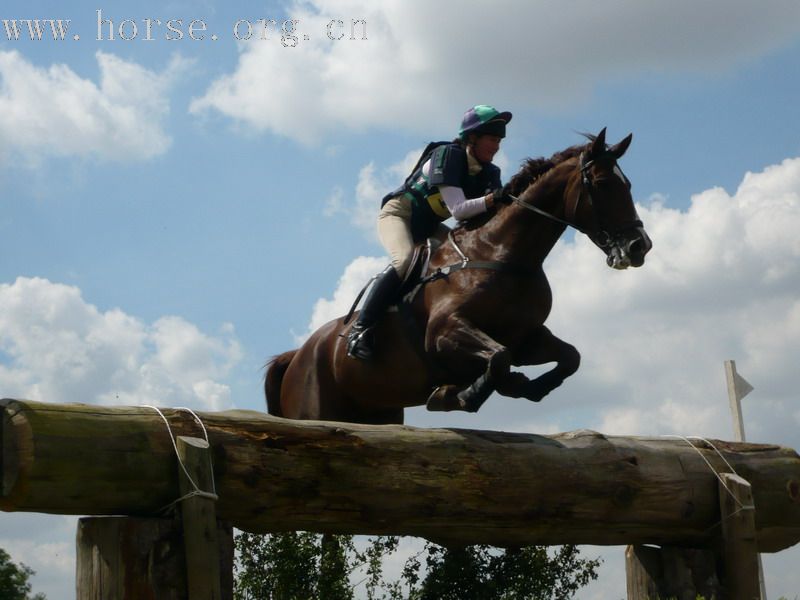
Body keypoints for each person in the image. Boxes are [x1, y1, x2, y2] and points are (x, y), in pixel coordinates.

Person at [346, 104, 513, 360]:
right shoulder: (447, 155)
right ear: (472, 138)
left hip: (429, 226)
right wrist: (492, 199)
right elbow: (459, 210)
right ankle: (359, 329)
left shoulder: (490, 172)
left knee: (465, 262)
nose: (497, 146)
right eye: (492, 139)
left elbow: (492, 213)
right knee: (404, 260)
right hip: (400, 215)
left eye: (499, 140)